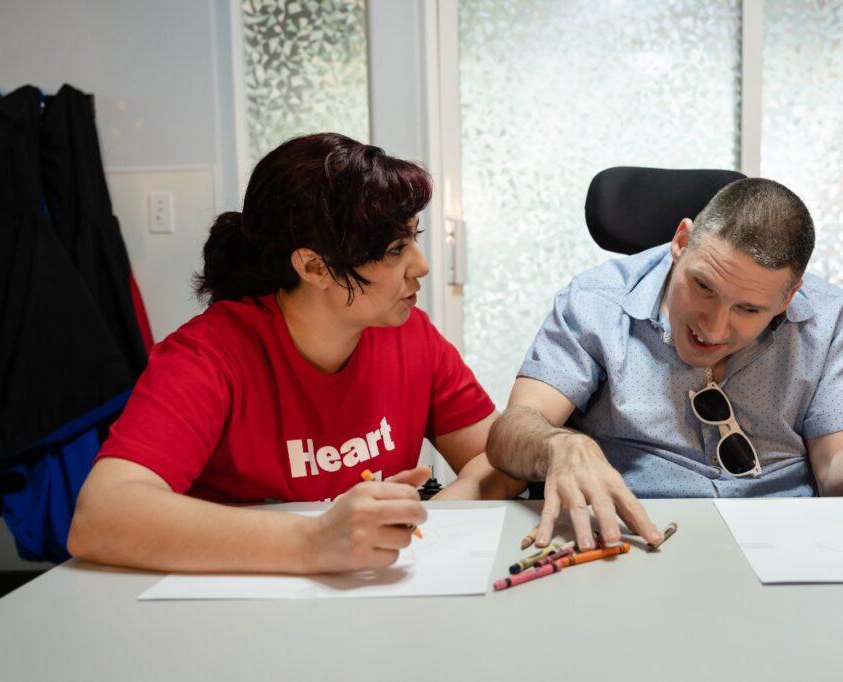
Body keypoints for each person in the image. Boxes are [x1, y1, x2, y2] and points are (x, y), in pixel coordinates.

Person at [68, 133, 523, 574]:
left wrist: (433, 515)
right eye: (394, 249)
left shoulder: (410, 335)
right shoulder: (208, 355)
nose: (421, 266)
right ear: (313, 266)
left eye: (414, 239)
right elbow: (101, 516)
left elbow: (498, 458)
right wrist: (312, 542)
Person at [486, 178, 843, 551]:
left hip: (788, 541)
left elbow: (835, 468)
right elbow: (512, 431)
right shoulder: (595, 302)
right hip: (635, 536)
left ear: (789, 296)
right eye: (703, 287)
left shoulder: (829, 318)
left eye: (749, 310)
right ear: (681, 243)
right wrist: (557, 446)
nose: (715, 328)